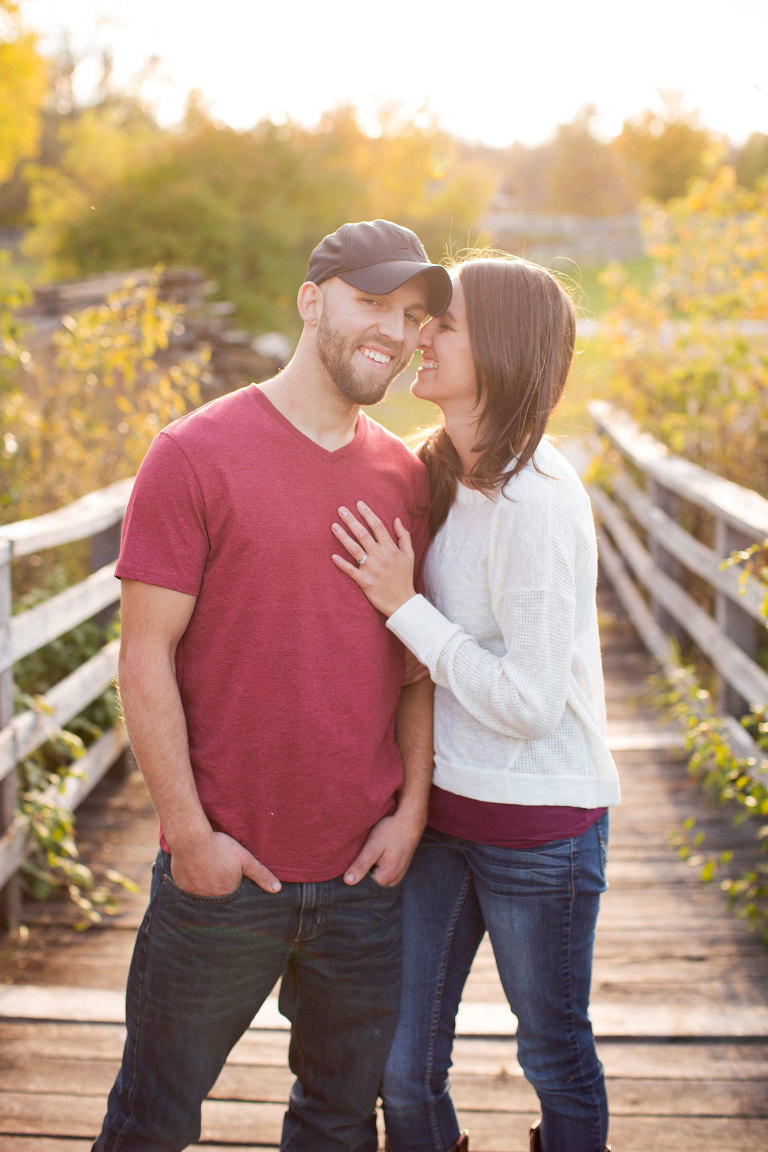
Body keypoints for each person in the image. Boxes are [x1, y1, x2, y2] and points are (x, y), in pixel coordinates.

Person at [91, 219, 453, 1152]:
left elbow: (414, 667)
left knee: (336, 1126)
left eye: (413, 314)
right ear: (310, 299)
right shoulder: (193, 454)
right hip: (221, 878)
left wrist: (409, 812)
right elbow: (144, 658)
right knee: (149, 1122)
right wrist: (189, 835)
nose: (396, 330)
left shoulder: (405, 475)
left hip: (363, 884)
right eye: (373, 301)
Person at [330, 253, 621, 1152]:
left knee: (553, 1054)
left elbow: (533, 703)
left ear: (497, 348)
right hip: (443, 820)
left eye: (443, 325)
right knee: (403, 1069)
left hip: (541, 831)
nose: (422, 335)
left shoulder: (534, 501)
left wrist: (404, 610)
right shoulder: (441, 473)